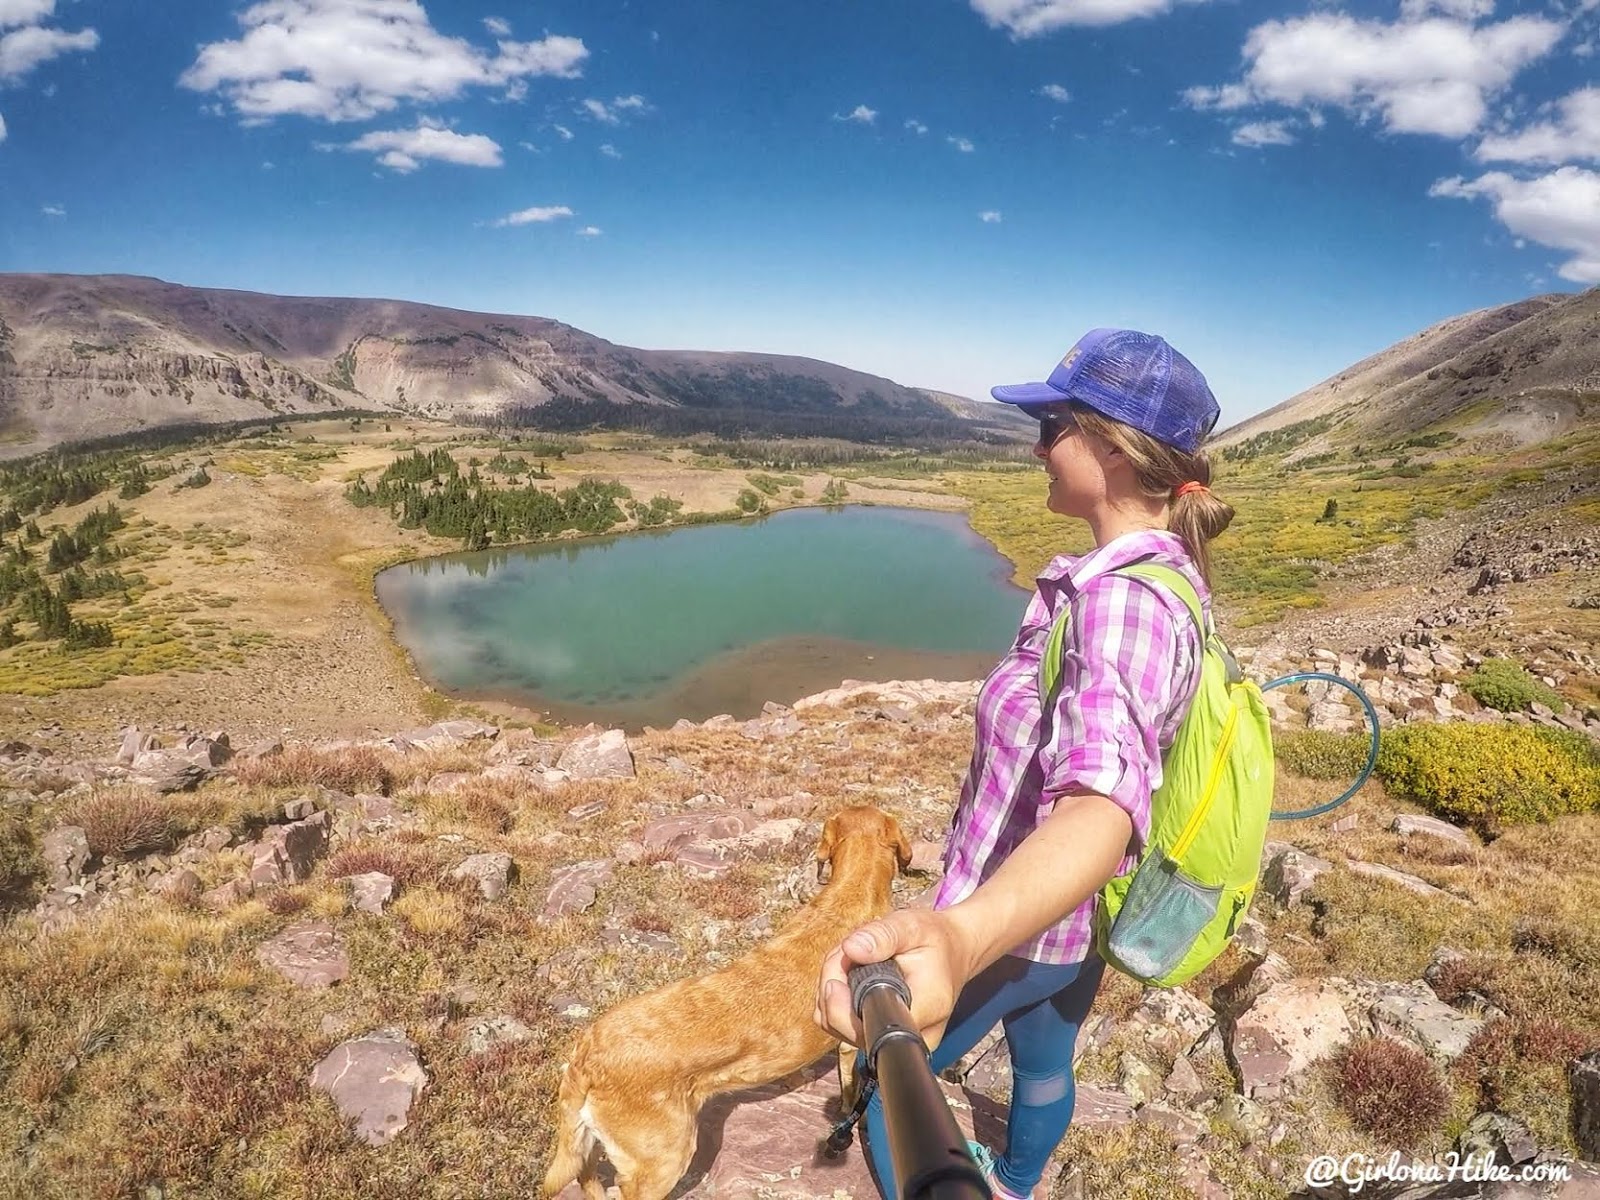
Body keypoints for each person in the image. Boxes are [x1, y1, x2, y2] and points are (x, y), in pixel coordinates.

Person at [814, 328, 1236, 1200]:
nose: (1037, 447)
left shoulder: (1119, 605)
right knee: (1043, 1064)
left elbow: (1102, 805)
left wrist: (964, 935)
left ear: (1114, 449)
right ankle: (1015, 1183)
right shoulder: (1165, 578)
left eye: (1052, 426)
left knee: (893, 1089)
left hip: (1009, 930)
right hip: (1073, 927)